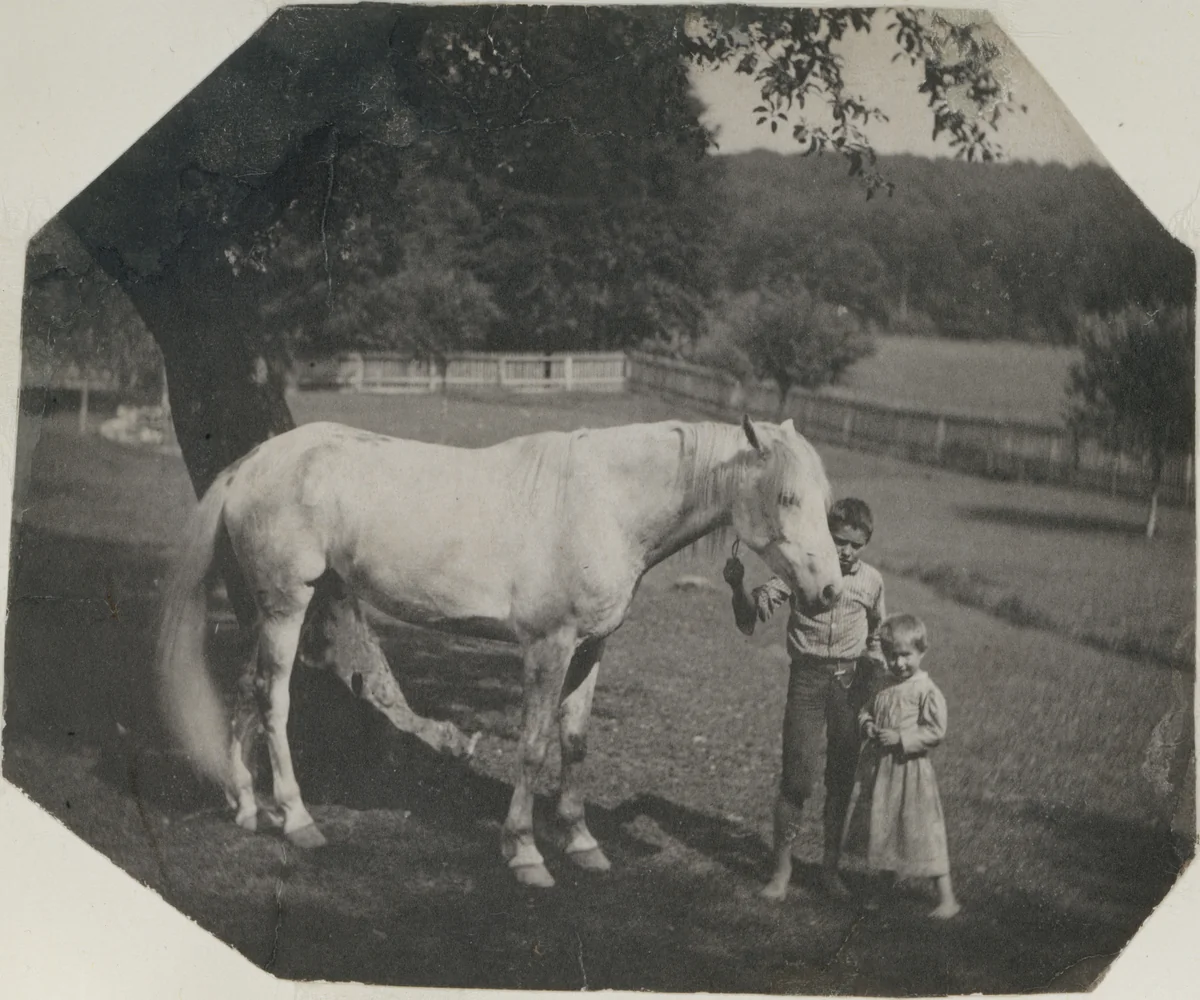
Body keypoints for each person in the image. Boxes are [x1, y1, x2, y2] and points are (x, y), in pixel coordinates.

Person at [723, 497, 885, 901]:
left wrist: (876, 686)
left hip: (850, 684)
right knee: (797, 778)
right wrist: (737, 585)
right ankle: (782, 870)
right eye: (838, 541)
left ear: (865, 543)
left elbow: (879, 635)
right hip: (808, 682)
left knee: (841, 779)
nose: (845, 551)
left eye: (855, 544)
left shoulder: (872, 582)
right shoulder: (801, 573)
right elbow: (753, 613)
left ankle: (830, 870)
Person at [842, 613, 960, 919]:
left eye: (906, 655)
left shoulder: (925, 690)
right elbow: (866, 710)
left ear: (922, 652)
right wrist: (867, 725)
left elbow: (935, 731)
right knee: (884, 828)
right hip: (881, 772)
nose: (899, 663)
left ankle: (946, 898)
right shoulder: (882, 683)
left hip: (910, 772)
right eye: (892, 656)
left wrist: (902, 738)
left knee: (923, 831)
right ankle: (884, 891)